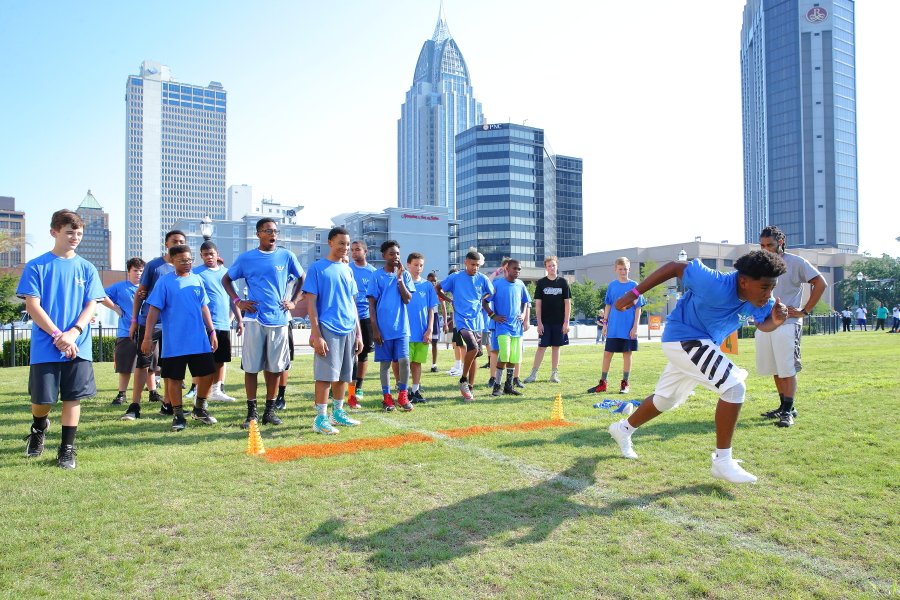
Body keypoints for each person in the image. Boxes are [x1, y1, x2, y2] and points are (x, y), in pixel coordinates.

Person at [606, 250, 788, 484]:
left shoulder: (765, 301)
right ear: (743, 281)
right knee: (734, 388)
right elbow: (674, 266)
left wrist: (776, 321)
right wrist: (633, 293)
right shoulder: (713, 282)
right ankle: (722, 461)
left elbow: (763, 325)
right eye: (764, 287)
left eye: (772, 287)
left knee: (665, 400)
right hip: (683, 338)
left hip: (700, 344)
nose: (769, 294)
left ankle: (622, 429)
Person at [19, 209, 106, 469]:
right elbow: (32, 306)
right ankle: (39, 427)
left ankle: (66, 449)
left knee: (72, 397)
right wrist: (58, 335)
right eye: (69, 232)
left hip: (78, 344)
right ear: (54, 232)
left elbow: (92, 304)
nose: (75, 237)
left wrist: (74, 333)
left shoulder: (87, 268)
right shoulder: (37, 266)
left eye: (79, 233)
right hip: (46, 345)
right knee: (42, 400)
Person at [222, 218, 304, 429]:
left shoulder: (287, 256)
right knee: (251, 368)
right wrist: (238, 301)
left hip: (279, 320)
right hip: (254, 319)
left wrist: (293, 302)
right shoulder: (246, 258)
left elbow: (303, 278)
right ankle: (252, 413)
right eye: (267, 230)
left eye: (275, 231)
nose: (272, 234)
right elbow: (226, 279)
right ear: (258, 233)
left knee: (275, 368)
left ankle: (270, 411)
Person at [141, 245, 219, 431]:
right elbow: (153, 310)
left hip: (198, 339)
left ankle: (199, 408)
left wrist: (212, 331)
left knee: (208, 374)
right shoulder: (165, 282)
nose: (187, 263)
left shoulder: (197, 279)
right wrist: (147, 336)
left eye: (189, 260)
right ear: (172, 260)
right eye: (182, 260)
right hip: (174, 342)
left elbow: (204, 307)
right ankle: (178, 415)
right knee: (174, 378)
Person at [756, 226, 827, 427]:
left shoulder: (796, 262)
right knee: (775, 367)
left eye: (770, 245)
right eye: (762, 245)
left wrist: (805, 311)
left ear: (781, 242)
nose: (766, 249)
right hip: (765, 323)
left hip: (788, 323)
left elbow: (820, 283)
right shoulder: (760, 264)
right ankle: (784, 406)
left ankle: (787, 413)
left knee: (787, 367)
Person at [302, 227, 363, 434]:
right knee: (325, 375)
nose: (345, 247)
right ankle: (320, 418)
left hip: (349, 329)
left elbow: (352, 303)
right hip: (328, 328)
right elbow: (311, 303)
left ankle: (338, 413)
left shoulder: (348, 269)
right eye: (341, 243)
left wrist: (358, 333)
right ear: (330, 243)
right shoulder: (317, 268)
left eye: (348, 244)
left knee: (344, 375)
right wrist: (316, 334)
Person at [123, 230, 186, 420]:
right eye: (174, 241)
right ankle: (134, 406)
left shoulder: (185, 268)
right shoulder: (154, 266)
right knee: (143, 363)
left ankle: (168, 404)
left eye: (181, 241)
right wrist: (134, 321)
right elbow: (140, 294)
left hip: (173, 325)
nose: (178, 244)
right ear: (166, 244)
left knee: (169, 366)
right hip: (150, 322)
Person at [437, 250, 494, 401]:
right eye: (472, 264)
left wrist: (482, 298)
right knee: (473, 348)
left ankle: (470, 388)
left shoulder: (482, 278)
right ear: (466, 263)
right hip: (462, 319)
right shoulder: (455, 277)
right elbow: (438, 288)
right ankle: (463, 379)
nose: (475, 267)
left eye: (477, 265)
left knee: (474, 354)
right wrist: (449, 300)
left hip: (477, 320)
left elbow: (491, 292)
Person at [368, 240, 415, 411]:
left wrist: (400, 278)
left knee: (404, 361)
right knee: (385, 364)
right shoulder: (376, 276)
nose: (396, 256)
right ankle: (387, 397)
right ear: (384, 256)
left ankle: (403, 395)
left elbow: (407, 299)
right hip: (383, 329)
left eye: (398, 254)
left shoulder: (405, 275)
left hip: (402, 328)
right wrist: (375, 328)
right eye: (392, 253)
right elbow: (371, 304)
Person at [193, 241, 243, 402]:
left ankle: (217, 390)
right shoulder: (196, 273)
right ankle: (199, 392)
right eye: (205, 254)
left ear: (217, 254)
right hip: (204, 325)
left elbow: (233, 299)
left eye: (211, 254)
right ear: (201, 256)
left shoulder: (227, 273)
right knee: (204, 359)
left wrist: (239, 320)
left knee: (221, 359)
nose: (209, 257)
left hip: (223, 323)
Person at [588, 257, 645, 394]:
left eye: (625, 269)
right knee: (607, 354)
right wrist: (605, 324)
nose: (623, 271)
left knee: (627, 354)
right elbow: (608, 305)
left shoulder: (634, 286)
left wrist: (635, 327)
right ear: (615, 269)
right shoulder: (612, 286)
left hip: (628, 328)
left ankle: (625, 383)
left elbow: (638, 308)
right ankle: (602, 383)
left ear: (629, 269)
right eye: (620, 269)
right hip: (613, 327)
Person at [482, 259, 531, 397]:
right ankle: (496, 386)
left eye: (519, 269)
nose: (517, 271)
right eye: (515, 268)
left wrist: (523, 314)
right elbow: (484, 302)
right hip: (502, 327)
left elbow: (525, 301)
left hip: (517, 328)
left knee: (513, 358)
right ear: (507, 269)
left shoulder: (520, 284)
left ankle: (508, 387)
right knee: (504, 355)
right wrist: (493, 316)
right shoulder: (497, 284)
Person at [100, 257, 145, 406]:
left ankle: (153, 392)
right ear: (129, 272)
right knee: (125, 366)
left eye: (141, 271)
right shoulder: (120, 287)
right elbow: (100, 295)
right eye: (135, 270)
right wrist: (115, 307)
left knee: (149, 366)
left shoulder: (148, 287)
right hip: (126, 332)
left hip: (146, 331)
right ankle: (122, 394)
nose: (138, 273)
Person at [523, 256, 571, 384]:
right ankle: (533, 374)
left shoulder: (563, 282)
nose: (552, 268)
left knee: (556, 347)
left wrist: (566, 322)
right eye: (549, 266)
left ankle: (554, 374)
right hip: (545, 322)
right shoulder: (541, 283)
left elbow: (567, 304)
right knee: (541, 347)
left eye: (553, 265)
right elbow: (538, 304)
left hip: (559, 322)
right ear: (546, 268)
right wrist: (539, 323)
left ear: (557, 266)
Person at [406, 253, 439, 403]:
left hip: (422, 332)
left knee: (417, 363)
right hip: (405, 332)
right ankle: (403, 391)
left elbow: (431, 309)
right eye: (415, 265)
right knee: (404, 363)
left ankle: (415, 391)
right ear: (408, 265)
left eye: (421, 265)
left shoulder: (427, 286)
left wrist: (430, 329)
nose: (418, 268)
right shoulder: (402, 284)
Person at [348, 240, 377, 409]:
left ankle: (358, 387)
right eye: (352, 250)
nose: (354, 252)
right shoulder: (347, 268)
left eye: (357, 249)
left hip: (365, 318)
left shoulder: (372, 272)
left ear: (365, 252)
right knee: (347, 354)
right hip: (348, 317)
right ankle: (342, 386)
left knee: (363, 354)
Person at [427, 272, 446, 373]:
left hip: (434, 317)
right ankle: (415, 364)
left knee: (434, 342)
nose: (433, 283)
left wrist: (445, 323)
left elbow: (443, 307)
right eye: (431, 281)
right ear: (427, 280)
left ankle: (434, 365)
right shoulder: (424, 289)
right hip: (424, 317)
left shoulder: (438, 291)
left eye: (435, 281)